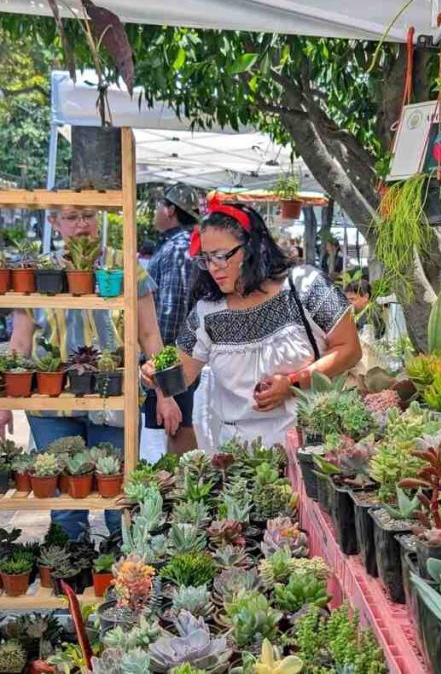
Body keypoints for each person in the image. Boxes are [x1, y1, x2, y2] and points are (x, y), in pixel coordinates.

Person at [0, 207, 181, 540]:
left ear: (100, 218)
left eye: (87, 216)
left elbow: (151, 336)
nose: (81, 224)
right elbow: (20, 342)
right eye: (71, 217)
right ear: (53, 222)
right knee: (65, 503)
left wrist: (166, 394)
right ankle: (73, 579)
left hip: (115, 401)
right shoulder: (40, 271)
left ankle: (122, 579)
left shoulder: (127, 265)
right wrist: (4, 402)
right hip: (51, 406)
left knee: (120, 500)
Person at [142, 197, 361, 447]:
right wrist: (155, 374)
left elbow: (350, 349)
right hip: (240, 459)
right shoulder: (207, 313)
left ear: (252, 248)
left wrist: (292, 384)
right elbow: (182, 375)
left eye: (221, 256)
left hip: (309, 445)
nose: (213, 268)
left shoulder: (306, 286)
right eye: (206, 259)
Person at [145, 184, 202, 455]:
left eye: (159, 206)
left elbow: (171, 309)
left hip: (173, 356)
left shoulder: (179, 249)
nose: (156, 212)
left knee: (177, 425)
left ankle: (183, 488)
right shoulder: (183, 244)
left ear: (170, 210)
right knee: (178, 423)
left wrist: (162, 363)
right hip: (181, 353)